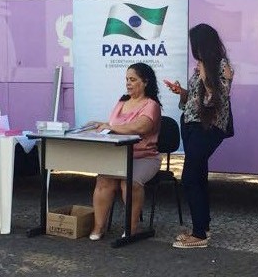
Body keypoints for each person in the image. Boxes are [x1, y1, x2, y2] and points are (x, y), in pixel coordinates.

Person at [164, 24, 233, 249]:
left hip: (208, 128)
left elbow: (216, 100)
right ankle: (202, 226)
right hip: (191, 125)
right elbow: (195, 98)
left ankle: (199, 234)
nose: (193, 49)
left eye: (195, 44)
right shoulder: (201, 66)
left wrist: (205, 78)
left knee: (190, 178)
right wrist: (181, 92)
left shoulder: (221, 66)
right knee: (198, 175)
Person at [85, 62, 162, 241]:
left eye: (133, 79)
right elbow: (114, 125)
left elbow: (140, 127)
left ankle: (131, 228)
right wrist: (100, 125)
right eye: (127, 79)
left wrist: (111, 127)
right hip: (119, 156)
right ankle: (99, 227)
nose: (128, 83)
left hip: (145, 157)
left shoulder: (151, 105)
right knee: (104, 180)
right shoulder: (122, 102)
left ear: (145, 82)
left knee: (129, 182)